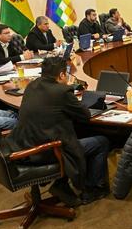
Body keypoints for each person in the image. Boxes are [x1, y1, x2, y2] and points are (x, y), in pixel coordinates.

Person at [9, 57, 110, 206]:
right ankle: (92, 189)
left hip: (25, 145)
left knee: (76, 134)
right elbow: (85, 115)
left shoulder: (32, 85)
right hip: (47, 150)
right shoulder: (62, 91)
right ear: (62, 75)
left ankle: (62, 184)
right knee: (102, 142)